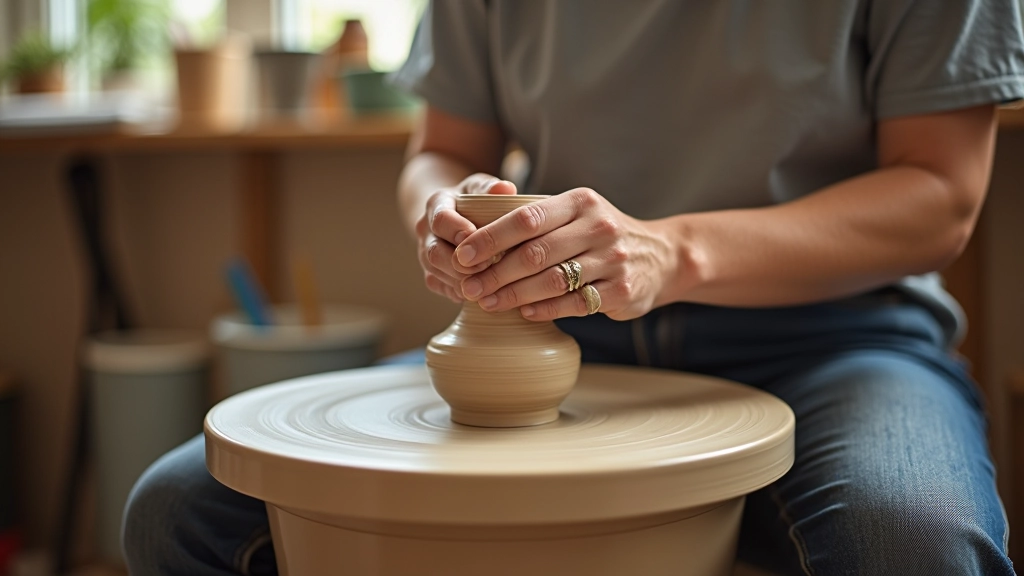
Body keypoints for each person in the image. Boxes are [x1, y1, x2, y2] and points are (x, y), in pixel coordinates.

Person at [123, 1, 1024, 574]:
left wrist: (673, 253)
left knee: (911, 543)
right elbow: (447, 150)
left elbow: (939, 196)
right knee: (174, 513)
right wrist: (443, 210)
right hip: (562, 337)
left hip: (835, 337)